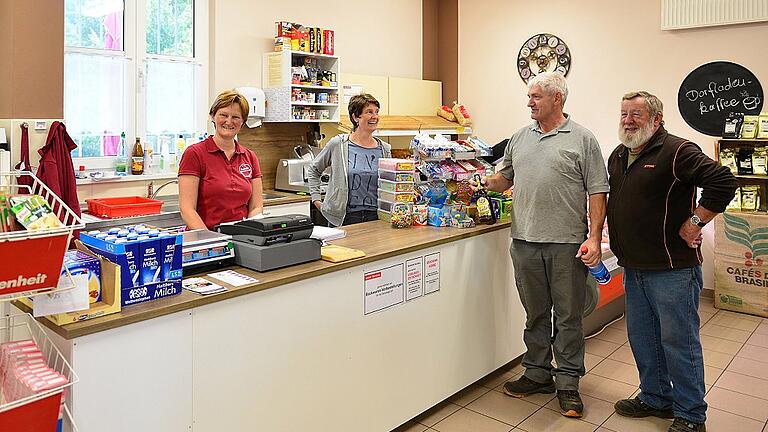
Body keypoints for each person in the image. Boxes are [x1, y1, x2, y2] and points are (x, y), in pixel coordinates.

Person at [474, 72, 609, 418]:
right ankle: (536, 373)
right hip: (524, 241)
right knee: (535, 314)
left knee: (567, 316)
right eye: (529, 96)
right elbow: (503, 179)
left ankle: (567, 383)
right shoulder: (520, 138)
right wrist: (478, 181)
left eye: (536, 96)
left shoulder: (582, 139)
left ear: (557, 99)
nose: (529, 102)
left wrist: (594, 236)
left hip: (566, 244)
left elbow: (597, 191)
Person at [608, 91, 737, 432]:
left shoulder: (677, 150)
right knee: (643, 337)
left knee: (679, 342)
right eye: (624, 114)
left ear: (656, 119)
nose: (628, 120)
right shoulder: (619, 154)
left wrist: (696, 221)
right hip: (633, 267)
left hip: (672, 269)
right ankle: (655, 398)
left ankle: (692, 415)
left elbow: (724, 182)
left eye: (636, 114)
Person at [178, 90, 263, 230]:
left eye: (235, 117)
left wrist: (249, 233)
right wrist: (212, 241)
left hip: (241, 239)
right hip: (205, 241)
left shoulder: (249, 156)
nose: (229, 121)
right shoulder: (194, 153)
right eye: (223, 115)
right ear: (212, 116)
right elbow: (187, 210)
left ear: (243, 122)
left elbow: (256, 206)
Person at [307, 93, 392, 227]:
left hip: (376, 217)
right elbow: (314, 170)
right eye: (369, 112)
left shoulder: (385, 149)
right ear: (355, 117)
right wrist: (316, 199)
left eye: (376, 112)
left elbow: (389, 183)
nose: (375, 117)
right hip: (343, 218)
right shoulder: (338, 144)